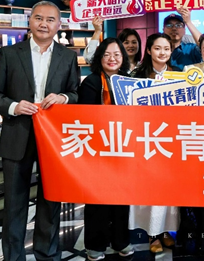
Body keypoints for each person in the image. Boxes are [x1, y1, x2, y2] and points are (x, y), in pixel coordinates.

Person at [0, 1, 80, 261]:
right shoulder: (9, 54)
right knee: (14, 204)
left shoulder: (68, 56)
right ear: (30, 21)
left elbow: (75, 93)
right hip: (17, 134)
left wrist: (63, 98)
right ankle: (14, 257)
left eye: (50, 20)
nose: (44, 24)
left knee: (51, 201)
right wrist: (13, 106)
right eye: (38, 18)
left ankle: (47, 254)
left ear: (59, 25)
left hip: (53, 139)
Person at [78, 38, 134, 261]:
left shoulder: (129, 81)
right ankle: (95, 244)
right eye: (107, 54)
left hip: (124, 148)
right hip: (97, 150)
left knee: (122, 198)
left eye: (117, 54)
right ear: (100, 58)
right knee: (97, 199)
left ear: (123, 58)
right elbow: (84, 118)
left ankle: (121, 241)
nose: (112, 59)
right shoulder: (91, 82)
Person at [129, 33, 179, 252]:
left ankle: (167, 230)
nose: (162, 53)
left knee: (170, 189)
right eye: (157, 48)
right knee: (150, 188)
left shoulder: (179, 75)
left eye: (166, 49)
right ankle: (152, 235)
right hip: (146, 138)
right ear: (148, 50)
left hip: (172, 139)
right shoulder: (136, 76)